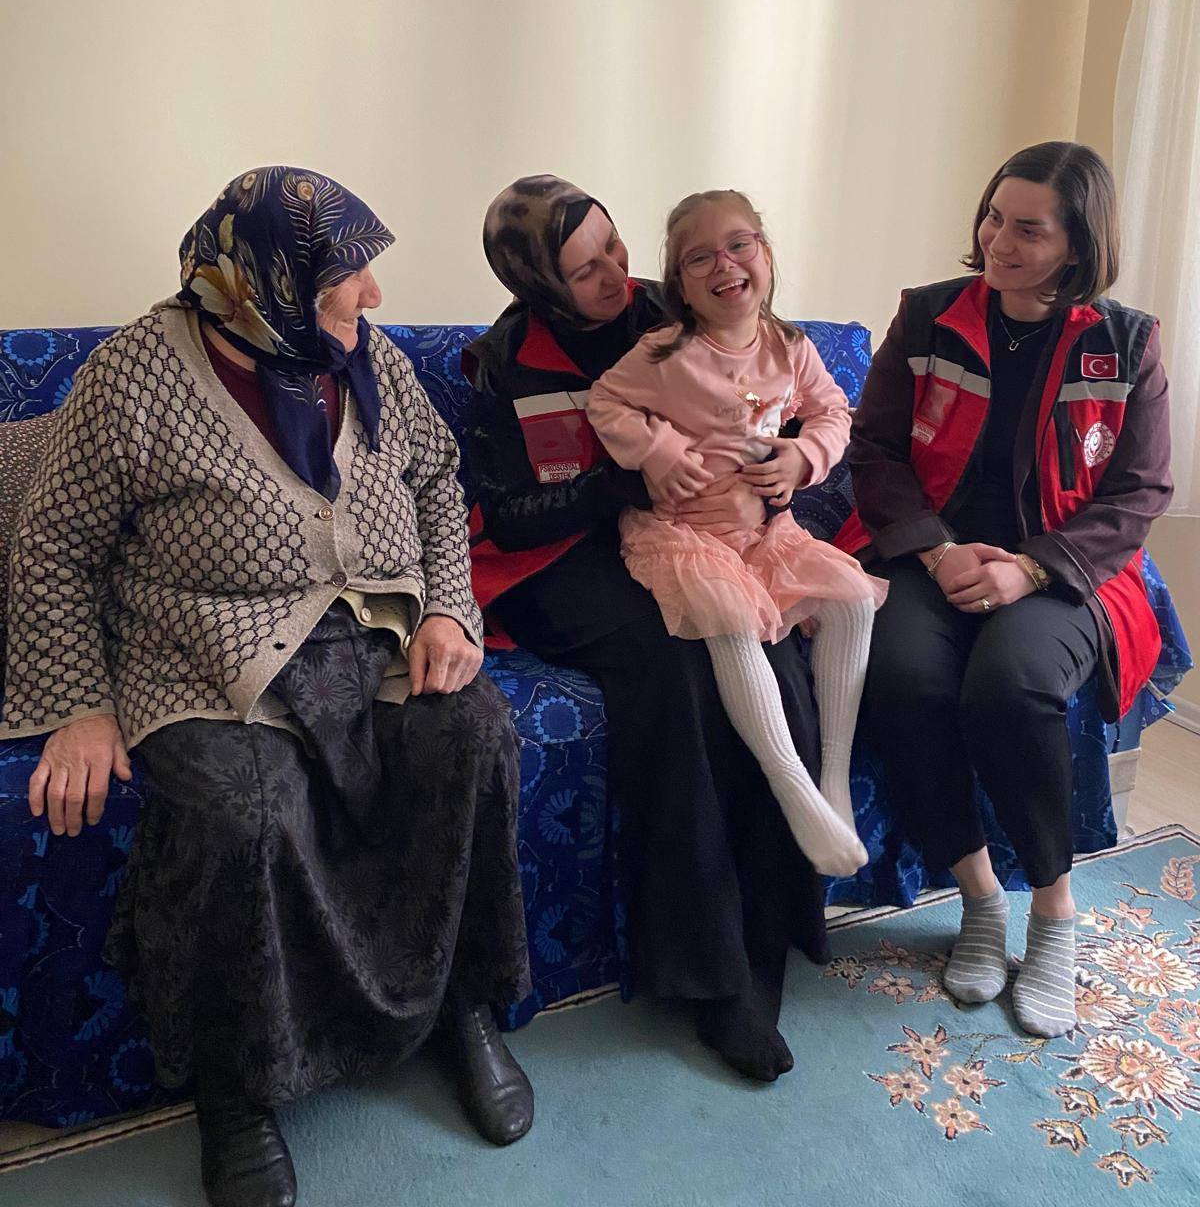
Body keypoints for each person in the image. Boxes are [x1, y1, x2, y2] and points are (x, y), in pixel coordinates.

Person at [1, 167, 533, 1207]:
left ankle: (459, 1006)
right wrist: (81, 706)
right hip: (205, 649)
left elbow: (435, 482)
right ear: (266, 282)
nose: (374, 297)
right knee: (242, 807)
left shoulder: (365, 355)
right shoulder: (135, 375)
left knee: (471, 737)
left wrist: (446, 611)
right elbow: (55, 544)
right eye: (347, 278)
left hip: (376, 632)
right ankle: (237, 1086)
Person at [463, 175, 834, 1085]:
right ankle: (710, 975)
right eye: (584, 270)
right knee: (678, 670)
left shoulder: (675, 308)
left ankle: (775, 929)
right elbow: (508, 517)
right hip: (566, 563)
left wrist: (787, 465)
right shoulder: (504, 362)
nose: (614, 277)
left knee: (773, 653)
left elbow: (777, 397)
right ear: (538, 283)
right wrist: (625, 481)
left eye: (615, 249)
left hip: (694, 534)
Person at [839, 141, 1172, 1038]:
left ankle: (1054, 914)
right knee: (901, 677)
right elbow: (876, 450)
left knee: (1010, 686)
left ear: (1078, 243)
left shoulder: (1128, 343)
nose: (998, 241)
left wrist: (1028, 569)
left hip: (1061, 570)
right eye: (993, 217)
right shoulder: (928, 315)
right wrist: (939, 552)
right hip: (932, 552)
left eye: (1028, 229)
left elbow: (1139, 491)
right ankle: (979, 896)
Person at [585, 190, 887, 877]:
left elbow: (833, 411)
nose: (724, 264)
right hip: (683, 534)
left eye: (739, 245)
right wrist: (657, 451)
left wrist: (803, 457)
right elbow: (606, 400)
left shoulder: (790, 347)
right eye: (699, 258)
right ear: (682, 285)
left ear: (766, 255)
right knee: (730, 616)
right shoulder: (665, 353)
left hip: (762, 533)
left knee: (851, 599)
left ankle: (832, 777)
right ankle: (791, 783)